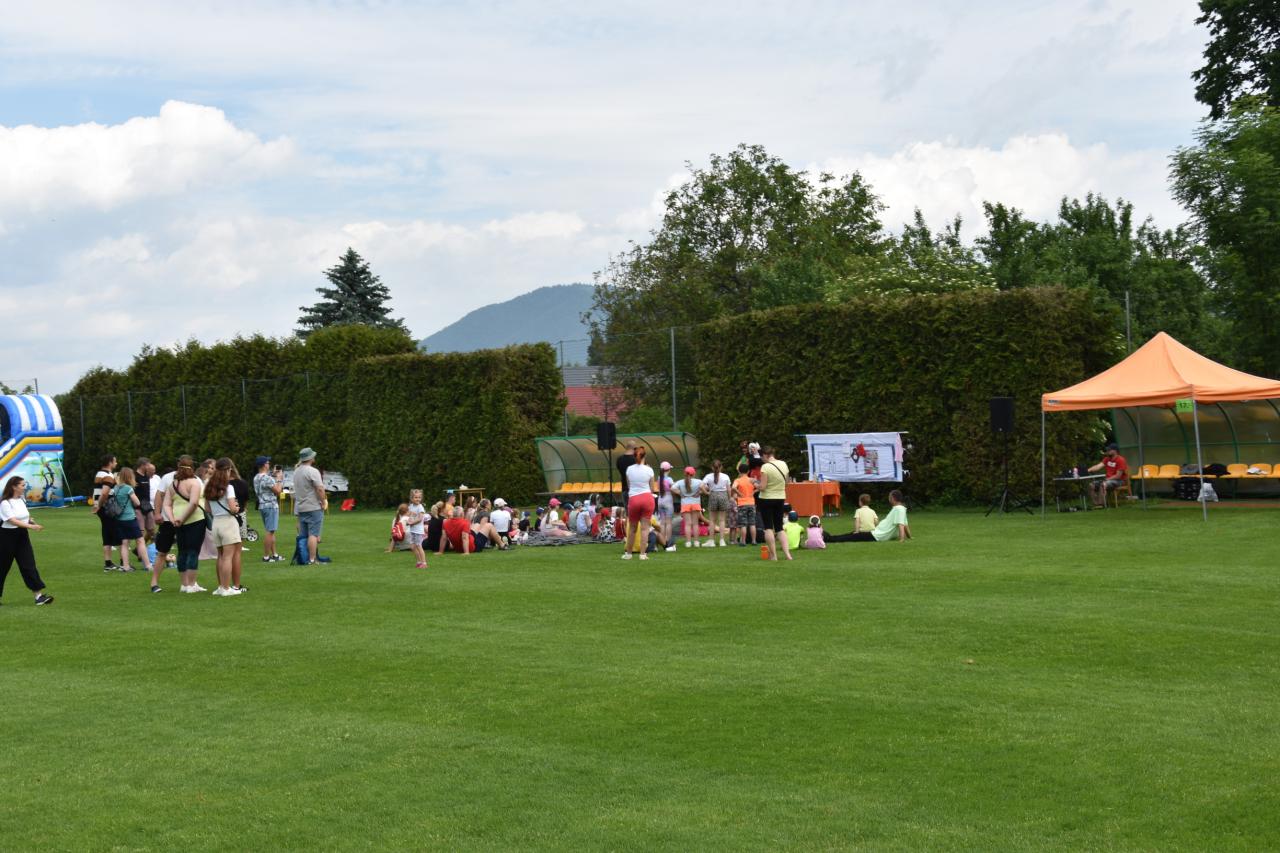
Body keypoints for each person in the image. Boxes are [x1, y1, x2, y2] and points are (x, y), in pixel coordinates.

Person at [0, 475, 54, 606]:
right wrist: (31, 526)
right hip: (6, 537)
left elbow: (22, 516)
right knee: (2, 567)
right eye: (22, 485)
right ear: (14, 487)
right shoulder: (5, 503)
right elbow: (11, 520)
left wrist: (29, 521)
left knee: (28, 565)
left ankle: (38, 597)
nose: (25, 487)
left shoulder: (22, 499)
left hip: (22, 536)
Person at [205, 458, 243, 596]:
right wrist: (237, 508)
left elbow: (207, 509)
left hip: (216, 523)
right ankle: (226, 588)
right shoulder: (228, 487)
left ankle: (221, 586)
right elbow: (233, 508)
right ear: (227, 470)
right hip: (228, 523)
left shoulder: (209, 486)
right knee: (227, 557)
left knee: (220, 556)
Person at [170, 456, 208, 593]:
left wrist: (174, 519)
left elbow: (166, 504)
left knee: (182, 551)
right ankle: (191, 585)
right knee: (193, 551)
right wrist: (183, 519)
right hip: (195, 520)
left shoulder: (174, 484)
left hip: (177, 521)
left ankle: (184, 584)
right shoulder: (195, 482)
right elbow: (194, 503)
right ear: (192, 468)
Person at [826, 490, 913, 542]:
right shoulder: (901, 509)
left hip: (876, 535)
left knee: (852, 536)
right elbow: (905, 525)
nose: (888, 498)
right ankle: (829, 537)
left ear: (893, 498)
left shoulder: (899, 509)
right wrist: (910, 537)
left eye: (889, 497)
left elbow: (901, 525)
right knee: (852, 535)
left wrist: (902, 539)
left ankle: (829, 538)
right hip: (876, 532)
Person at [111, 467, 153, 576]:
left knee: (124, 543)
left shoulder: (116, 488)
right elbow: (137, 502)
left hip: (119, 519)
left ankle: (125, 566)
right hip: (130, 518)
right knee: (140, 541)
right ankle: (148, 565)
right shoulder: (128, 488)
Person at [293, 447, 327, 565]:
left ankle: (303, 558)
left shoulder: (296, 471)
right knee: (313, 534)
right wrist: (323, 501)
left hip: (301, 507)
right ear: (310, 458)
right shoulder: (313, 471)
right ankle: (312, 560)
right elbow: (320, 489)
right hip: (313, 506)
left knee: (304, 535)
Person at [756, 446, 792, 561]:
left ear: (765, 455)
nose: (762, 459)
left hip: (766, 499)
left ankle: (774, 555)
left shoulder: (765, 467)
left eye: (761, 457)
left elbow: (763, 487)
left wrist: (755, 484)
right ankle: (788, 555)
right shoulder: (783, 464)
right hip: (780, 498)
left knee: (768, 527)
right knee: (779, 528)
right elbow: (787, 482)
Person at [622, 446, 656, 560]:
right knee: (645, 529)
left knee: (632, 528)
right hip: (647, 498)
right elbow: (652, 488)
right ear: (644, 456)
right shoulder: (649, 470)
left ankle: (628, 554)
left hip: (634, 499)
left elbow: (629, 486)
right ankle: (642, 554)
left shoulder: (629, 469)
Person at [92, 453, 121, 570]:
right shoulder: (107, 475)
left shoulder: (99, 473)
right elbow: (104, 493)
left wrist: (97, 505)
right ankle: (123, 563)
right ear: (110, 462)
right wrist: (99, 506)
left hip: (102, 507)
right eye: (115, 461)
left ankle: (108, 563)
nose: (116, 463)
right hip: (107, 506)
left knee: (106, 532)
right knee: (118, 532)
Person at [253, 456, 285, 562]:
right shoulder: (267, 478)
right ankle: (266, 557)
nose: (269, 464)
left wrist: (273, 475)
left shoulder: (256, 477)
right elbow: (278, 491)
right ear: (264, 465)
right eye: (267, 463)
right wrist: (279, 479)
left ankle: (275, 554)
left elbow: (265, 481)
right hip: (271, 506)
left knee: (271, 531)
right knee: (270, 532)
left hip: (262, 506)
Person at [671, 465, 703, 548]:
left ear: (684, 473)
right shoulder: (698, 481)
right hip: (695, 503)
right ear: (694, 474)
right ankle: (696, 542)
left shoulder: (680, 482)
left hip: (685, 504)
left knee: (687, 524)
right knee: (695, 524)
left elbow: (672, 488)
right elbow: (705, 487)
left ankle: (688, 542)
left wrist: (680, 493)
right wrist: (699, 492)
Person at [702, 459, 732, 547]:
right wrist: (729, 498)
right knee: (722, 520)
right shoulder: (726, 476)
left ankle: (711, 541)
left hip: (713, 495)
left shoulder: (708, 476)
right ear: (721, 467)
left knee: (712, 520)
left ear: (712, 467)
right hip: (723, 496)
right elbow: (729, 489)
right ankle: (722, 541)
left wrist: (706, 493)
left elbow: (701, 486)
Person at [732, 463, 757, 546]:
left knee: (743, 524)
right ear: (748, 471)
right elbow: (760, 487)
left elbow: (733, 487)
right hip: (751, 503)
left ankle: (743, 541)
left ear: (739, 471)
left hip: (742, 504)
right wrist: (754, 492)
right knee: (752, 523)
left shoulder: (737, 480)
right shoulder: (751, 480)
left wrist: (739, 493)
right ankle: (754, 541)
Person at [135, 457, 158, 543]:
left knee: (151, 529)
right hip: (138, 507)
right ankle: (140, 549)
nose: (149, 467)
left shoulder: (146, 476)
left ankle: (153, 548)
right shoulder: (134, 476)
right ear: (142, 465)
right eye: (148, 465)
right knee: (140, 531)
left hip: (147, 506)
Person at [656, 461, 676, 552]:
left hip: (660, 500)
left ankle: (662, 540)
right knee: (668, 523)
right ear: (668, 470)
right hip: (668, 500)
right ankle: (668, 540)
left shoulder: (659, 478)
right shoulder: (669, 479)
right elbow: (674, 488)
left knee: (662, 522)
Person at [406, 489, 428, 568]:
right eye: (416, 497)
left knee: (419, 546)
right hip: (413, 530)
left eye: (419, 497)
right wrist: (408, 521)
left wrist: (412, 523)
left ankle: (424, 563)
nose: (418, 499)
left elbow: (420, 519)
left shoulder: (420, 507)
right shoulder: (411, 506)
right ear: (412, 498)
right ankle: (419, 562)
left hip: (418, 531)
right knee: (412, 547)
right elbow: (409, 516)